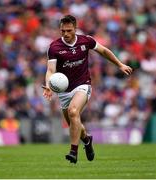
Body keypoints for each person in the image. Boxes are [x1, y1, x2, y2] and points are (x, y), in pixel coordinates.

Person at [43, 15, 132, 164]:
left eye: (69, 30)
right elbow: (50, 70)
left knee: (73, 111)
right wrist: (48, 84)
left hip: (82, 84)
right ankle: (87, 140)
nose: (65, 34)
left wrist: (120, 64)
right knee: (74, 122)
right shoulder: (54, 47)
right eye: (62, 31)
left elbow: (103, 51)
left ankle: (73, 152)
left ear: (75, 28)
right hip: (64, 91)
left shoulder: (86, 40)